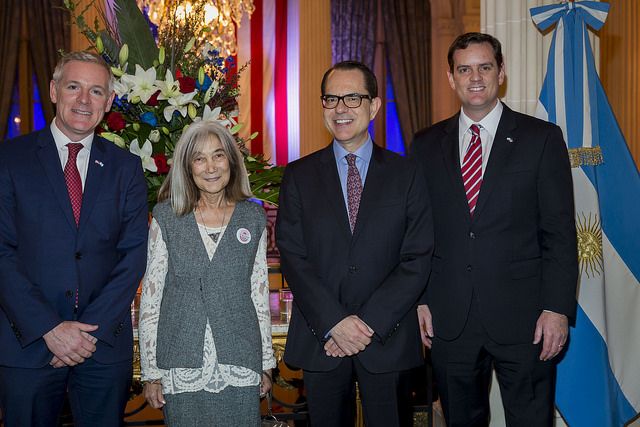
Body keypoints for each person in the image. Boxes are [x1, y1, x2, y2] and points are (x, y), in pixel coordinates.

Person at [410, 32, 578, 426]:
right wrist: (419, 300)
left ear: (501, 73)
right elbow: (417, 232)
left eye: (485, 67)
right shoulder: (424, 145)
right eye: (464, 69)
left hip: (526, 318)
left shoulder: (542, 139)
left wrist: (556, 308)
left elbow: (559, 232)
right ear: (451, 78)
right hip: (449, 320)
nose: (475, 77)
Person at [276, 60, 433, 426]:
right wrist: (336, 323)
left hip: (387, 336)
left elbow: (417, 256)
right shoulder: (299, 176)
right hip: (322, 338)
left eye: (352, 98)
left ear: (374, 106)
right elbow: (293, 257)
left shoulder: (406, 174)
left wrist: (366, 324)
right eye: (331, 99)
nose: (341, 109)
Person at [0, 51, 149, 426]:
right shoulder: (9, 160)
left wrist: (85, 334)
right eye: (73, 87)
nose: (84, 100)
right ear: (53, 90)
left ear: (109, 101)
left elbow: (132, 255)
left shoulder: (125, 167)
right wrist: (50, 328)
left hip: (101, 347)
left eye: (96, 91)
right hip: (28, 344)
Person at [139, 120, 276, 426]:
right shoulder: (166, 216)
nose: (211, 167)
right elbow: (151, 300)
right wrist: (151, 373)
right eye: (199, 158)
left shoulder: (252, 217)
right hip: (181, 363)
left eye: (218, 155)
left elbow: (259, 293)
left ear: (231, 160)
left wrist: (265, 364)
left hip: (240, 360)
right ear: (188, 168)